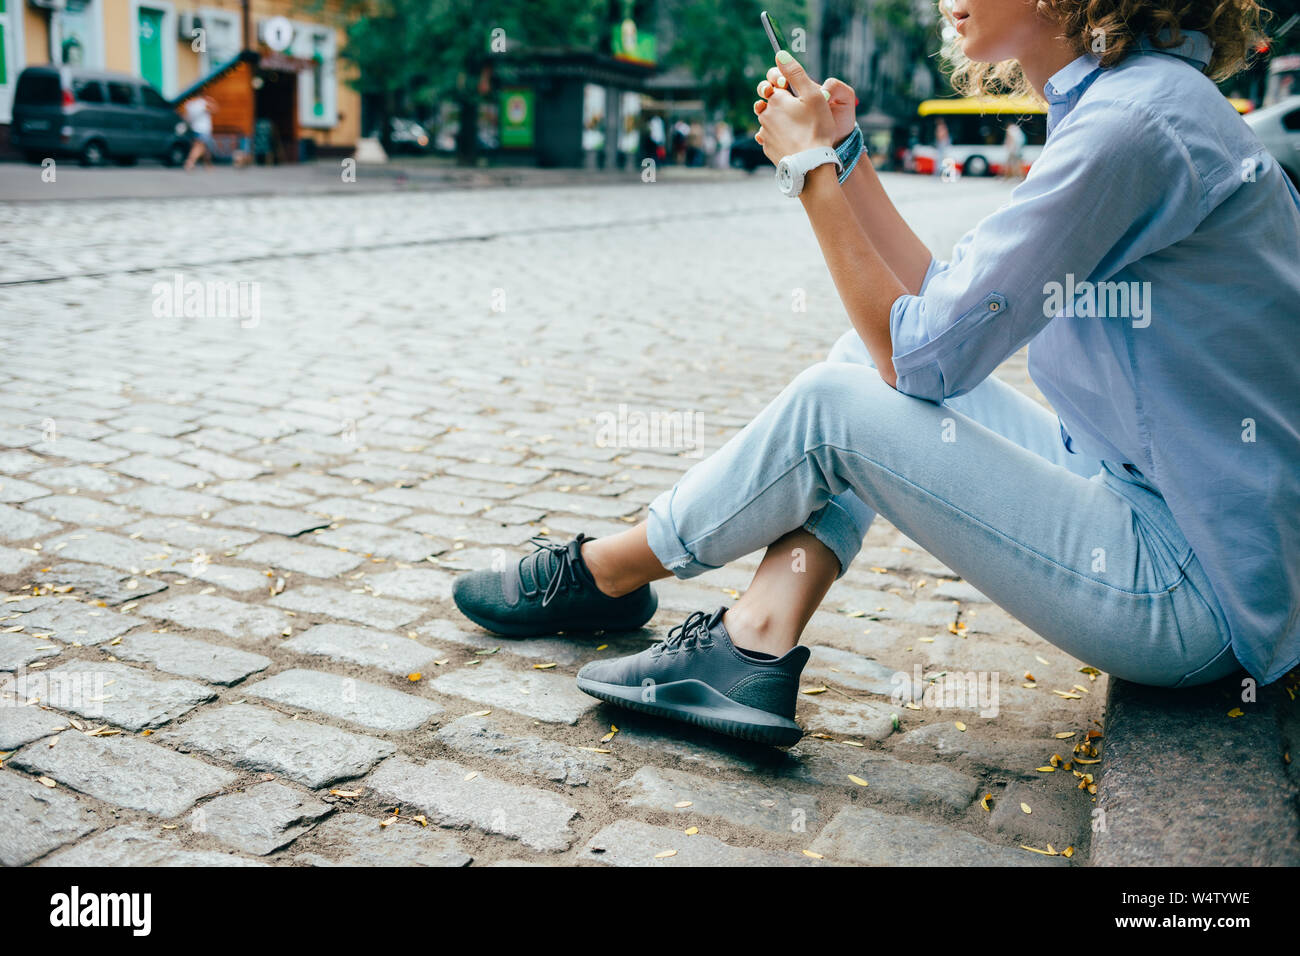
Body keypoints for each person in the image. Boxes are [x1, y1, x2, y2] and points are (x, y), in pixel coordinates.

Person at [452, 0, 1300, 747]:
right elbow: (944, 311)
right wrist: (847, 155)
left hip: (1198, 593)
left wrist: (809, 171)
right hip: (1160, 507)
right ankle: (753, 640)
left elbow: (924, 356)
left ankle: (606, 573)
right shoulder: (1138, 106)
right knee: (862, 361)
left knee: (840, 402)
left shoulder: (1131, 128)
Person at [182, 94, 217, 172]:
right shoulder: (202, 103)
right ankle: (190, 162)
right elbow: (214, 110)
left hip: (194, 128)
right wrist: (211, 101)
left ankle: (208, 165)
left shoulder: (189, 104)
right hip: (204, 129)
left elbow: (186, 117)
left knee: (205, 148)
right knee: (199, 147)